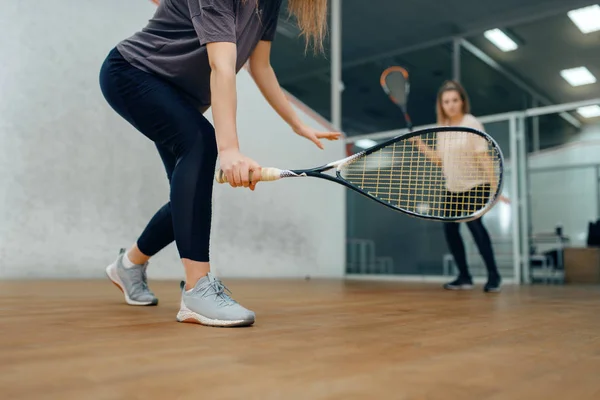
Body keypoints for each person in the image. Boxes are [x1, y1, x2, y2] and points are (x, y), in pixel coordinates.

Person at [99, 0, 339, 327]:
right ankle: (198, 289)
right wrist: (229, 150)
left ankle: (128, 265)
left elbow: (261, 67)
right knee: (201, 143)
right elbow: (222, 66)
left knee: (188, 196)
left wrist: (296, 123)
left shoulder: (268, 4)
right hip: (133, 73)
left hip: (179, 97)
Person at [412, 80, 507, 293]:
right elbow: (440, 160)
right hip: (452, 187)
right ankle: (464, 277)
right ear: (441, 105)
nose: (451, 105)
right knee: (450, 230)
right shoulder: (442, 129)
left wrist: (495, 187)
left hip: (476, 184)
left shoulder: (471, 123)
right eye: (446, 101)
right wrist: (420, 145)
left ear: (462, 101)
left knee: (475, 226)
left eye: (455, 100)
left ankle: (494, 276)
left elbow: (483, 156)